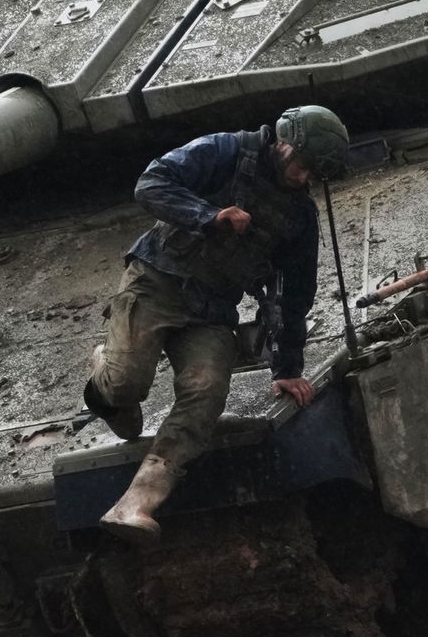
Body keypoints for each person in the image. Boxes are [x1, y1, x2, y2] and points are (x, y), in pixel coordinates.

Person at [82, 105, 350, 545]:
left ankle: (138, 501)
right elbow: (151, 183)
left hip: (211, 311)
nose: (303, 177)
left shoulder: (299, 216)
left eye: (313, 173)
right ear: (284, 142)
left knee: (206, 390)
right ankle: (105, 377)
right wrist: (209, 215)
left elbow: (295, 293)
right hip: (156, 282)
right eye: (301, 164)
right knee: (126, 384)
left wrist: (287, 367)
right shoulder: (228, 151)